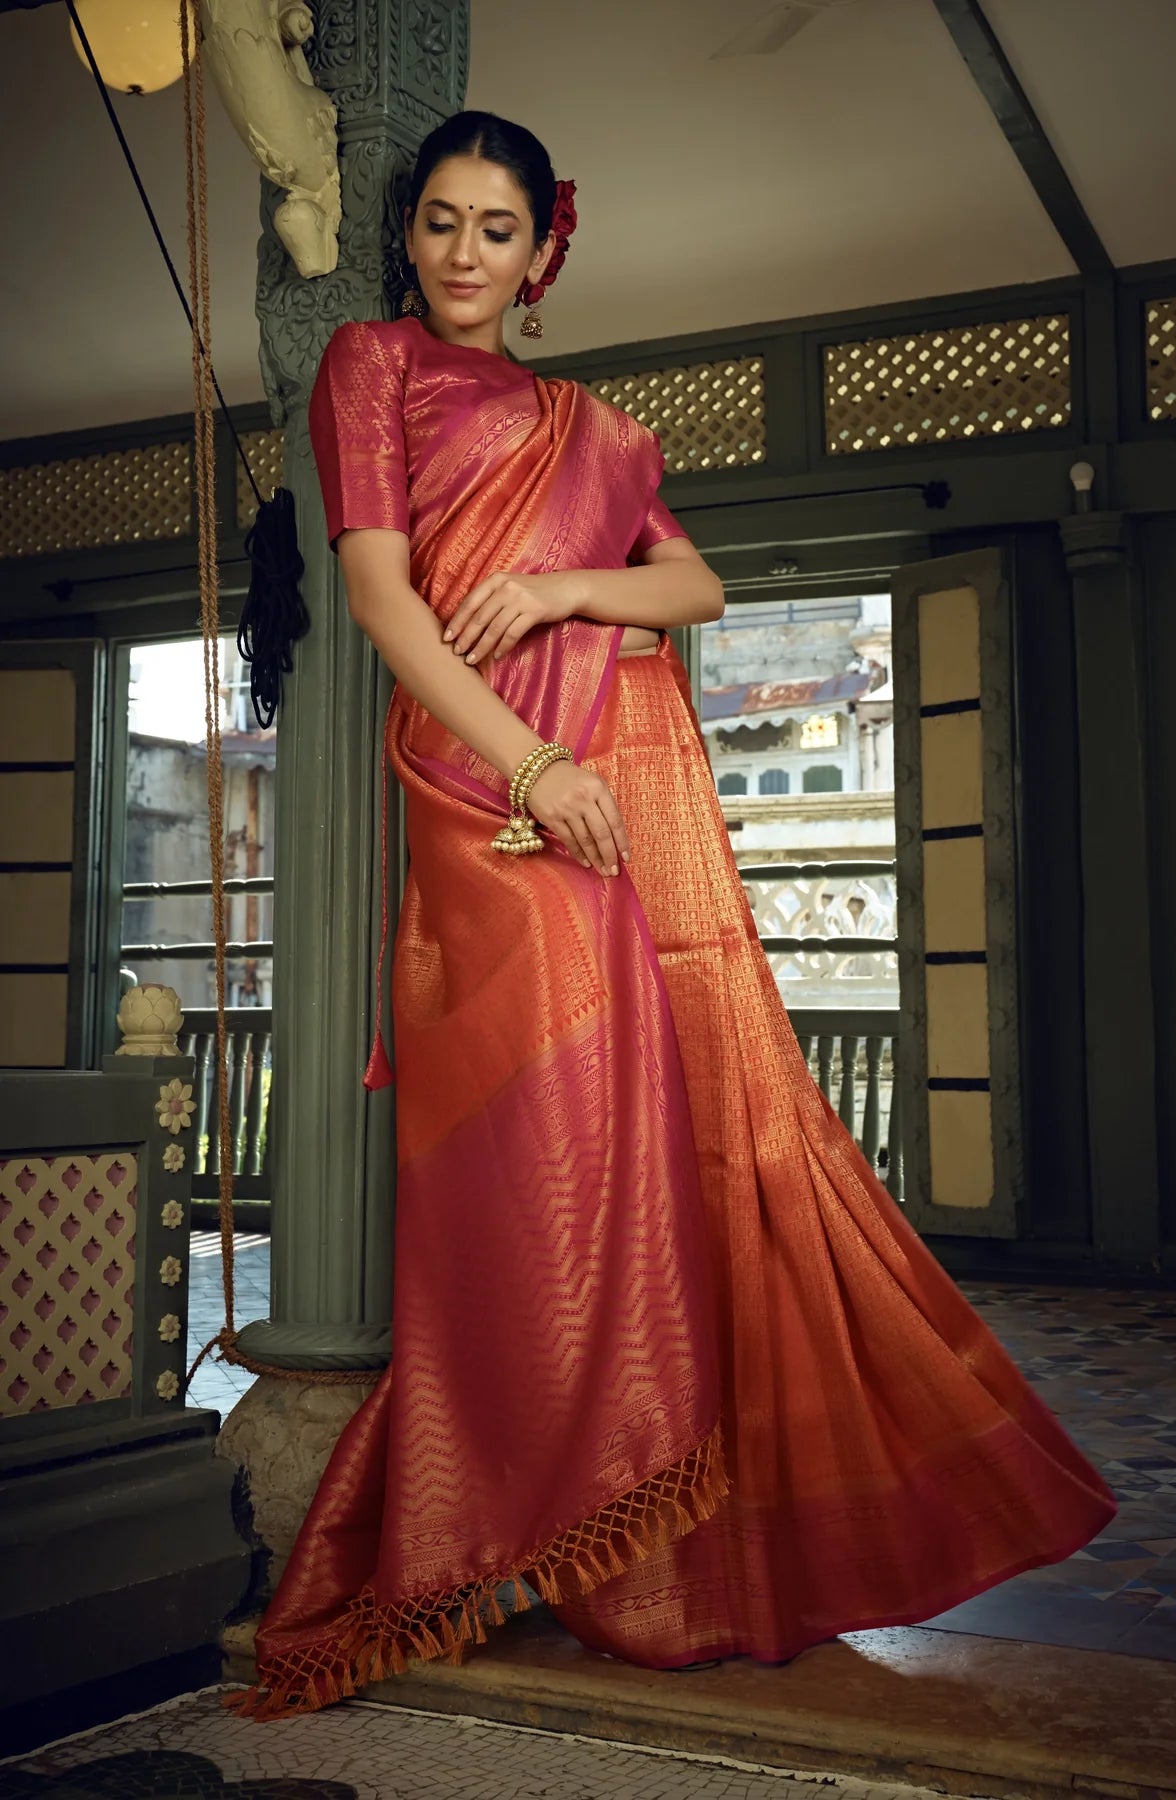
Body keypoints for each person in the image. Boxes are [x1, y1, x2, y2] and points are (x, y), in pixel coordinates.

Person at [234, 110, 1116, 1719]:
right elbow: (380, 599)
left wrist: (572, 592)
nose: (461, 256)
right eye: (438, 221)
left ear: (544, 249)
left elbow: (692, 587)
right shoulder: (371, 368)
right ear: (406, 233)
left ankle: (624, 1548)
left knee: (618, 1154)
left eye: (496, 229)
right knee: (523, 1159)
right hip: (481, 788)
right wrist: (534, 763)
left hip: (592, 803)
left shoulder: (597, 431)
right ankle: (508, 1508)